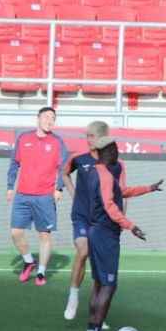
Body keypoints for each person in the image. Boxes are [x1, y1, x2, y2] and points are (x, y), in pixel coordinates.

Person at [81, 137, 163, 331]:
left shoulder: (94, 172)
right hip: (105, 234)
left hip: (95, 231)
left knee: (99, 283)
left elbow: (121, 192)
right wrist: (131, 226)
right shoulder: (106, 175)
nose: (118, 153)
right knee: (109, 284)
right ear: (107, 151)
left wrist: (149, 188)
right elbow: (109, 205)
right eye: (115, 149)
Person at [6, 106, 68, 286]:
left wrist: (59, 188)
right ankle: (28, 261)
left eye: (53, 118)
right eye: (47, 116)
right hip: (22, 195)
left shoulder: (57, 142)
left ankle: (41, 272)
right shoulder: (24, 138)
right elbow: (14, 163)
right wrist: (10, 186)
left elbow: (64, 168)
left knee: (44, 235)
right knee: (16, 232)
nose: (50, 120)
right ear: (38, 119)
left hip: (44, 197)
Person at [61, 121, 110, 320]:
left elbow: (120, 192)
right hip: (81, 216)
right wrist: (74, 195)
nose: (89, 140)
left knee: (100, 266)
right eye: (88, 136)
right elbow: (64, 174)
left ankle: (97, 314)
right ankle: (73, 296)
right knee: (84, 251)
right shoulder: (79, 159)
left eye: (93, 136)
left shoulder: (113, 163)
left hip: (103, 220)